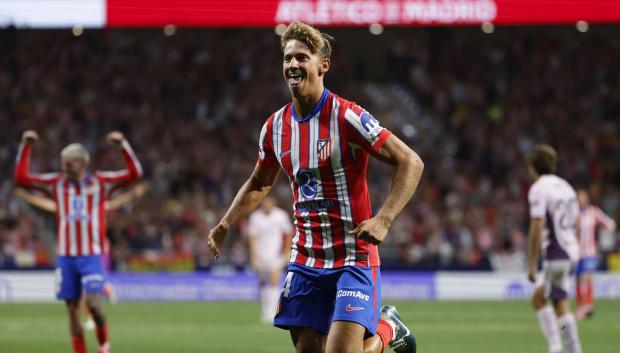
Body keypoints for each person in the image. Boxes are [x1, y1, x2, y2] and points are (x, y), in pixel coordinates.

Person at [208, 21, 424, 353]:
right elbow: (259, 183)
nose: (293, 64)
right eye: (287, 58)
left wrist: (384, 219)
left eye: (302, 57)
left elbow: (410, 161)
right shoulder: (274, 127)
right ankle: (388, 329)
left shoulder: (347, 116)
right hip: (306, 260)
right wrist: (226, 223)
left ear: (323, 65)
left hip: (353, 258)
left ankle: (387, 329)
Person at [14, 130, 143, 353]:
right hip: (65, 256)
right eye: (63, 163)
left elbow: (134, 174)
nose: (64, 167)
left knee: (93, 302)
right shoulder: (56, 182)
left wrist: (123, 145)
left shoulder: (100, 182)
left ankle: (104, 345)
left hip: (91, 254)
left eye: (69, 164)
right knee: (72, 309)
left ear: (82, 163)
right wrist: (25, 146)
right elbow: (22, 179)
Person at [14, 182, 148, 329]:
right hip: (79, 254)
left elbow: (114, 204)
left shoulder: (95, 207)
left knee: (89, 288)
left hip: (97, 251)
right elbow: (49, 205)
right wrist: (27, 197)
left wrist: (133, 194)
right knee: (87, 288)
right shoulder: (67, 208)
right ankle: (103, 294)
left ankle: (96, 312)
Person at [526, 144, 582, 353]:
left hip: (556, 252)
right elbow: (577, 222)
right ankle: (561, 347)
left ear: (532, 167)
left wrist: (532, 262)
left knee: (555, 302)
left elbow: (537, 224)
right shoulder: (566, 187)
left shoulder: (539, 188)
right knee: (545, 298)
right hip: (570, 251)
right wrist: (574, 246)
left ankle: (563, 348)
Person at [247, 196, 293, 323]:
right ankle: (265, 309)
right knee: (262, 282)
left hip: (275, 254)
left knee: (274, 280)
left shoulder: (280, 216)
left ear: (274, 203)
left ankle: (272, 310)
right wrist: (254, 256)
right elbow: (253, 238)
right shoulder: (255, 217)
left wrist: (287, 251)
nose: (267, 206)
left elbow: (288, 233)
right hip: (261, 255)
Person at [574, 189, 616, 320]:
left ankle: (588, 306)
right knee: (578, 279)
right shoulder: (574, 214)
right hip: (576, 252)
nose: (581, 200)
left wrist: (608, 233)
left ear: (587, 199)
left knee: (586, 278)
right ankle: (581, 306)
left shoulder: (593, 212)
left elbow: (610, 224)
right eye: (579, 198)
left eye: (583, 197)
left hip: (590, 252)